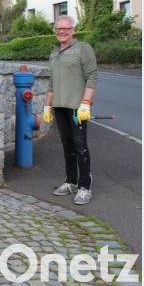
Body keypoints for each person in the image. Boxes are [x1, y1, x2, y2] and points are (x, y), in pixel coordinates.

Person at [42, 15, 98, 205]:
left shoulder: (83, 49)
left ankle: (85, 187)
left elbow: (92, 77)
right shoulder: (54, 53)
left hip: (77, 108)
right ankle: (71, 182)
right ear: (55, 31)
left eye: (66, 28)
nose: (62, 31)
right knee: (67, 145)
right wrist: (47, 107)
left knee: (80, 146)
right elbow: (52, 83)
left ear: (73, 30)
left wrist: (86, 103)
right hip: (59, 106)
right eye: (59, 29)